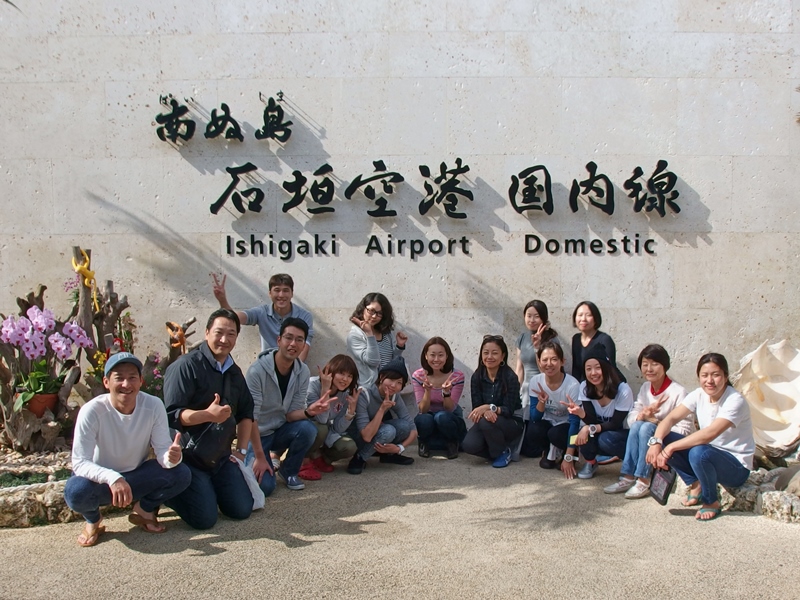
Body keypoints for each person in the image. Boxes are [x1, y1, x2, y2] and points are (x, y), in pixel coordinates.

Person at [64, 352, 191, 547]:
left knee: (181, 473)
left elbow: (162, 451)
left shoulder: (153, 405)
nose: (126, 384)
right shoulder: (92, 410)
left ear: (141, 381)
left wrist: (172, 457)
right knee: (75, 492)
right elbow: (80, 462)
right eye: (119, 378)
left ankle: (144, 509)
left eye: (132, 377)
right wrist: (113, 478)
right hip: (102, 481)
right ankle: (93, 520)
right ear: (106, 382)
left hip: (135, 477)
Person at [163, 309, 258, 530]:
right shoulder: (185, 366)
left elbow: (246, 413)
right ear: (207, 333)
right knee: (205, 520)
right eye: (219, 332)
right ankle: (165, 492)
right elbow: (172, 415)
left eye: (231, 334)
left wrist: (241, 452)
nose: (225, 340)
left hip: (220, 457)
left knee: (242, 510)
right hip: (189, 458)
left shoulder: (234, 372)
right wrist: (207, 415)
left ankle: (206, 490)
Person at [646, 353, 755, 521]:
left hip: (736, 467)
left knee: (698, 452)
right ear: (699, 377)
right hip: (709, 453)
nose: (709, 380)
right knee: (664, 437)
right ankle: (696, 484)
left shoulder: (735, 400)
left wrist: (670, 448)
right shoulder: (699, 395)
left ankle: (711, 502)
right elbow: (670, 419)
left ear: (726, 377)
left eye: (716, 375)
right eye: (704, 375)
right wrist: (656, 443)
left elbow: (709, 434)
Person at [245, 318, 326, 492]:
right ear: (279, 340)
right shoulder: (257, 371)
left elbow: (291, 415)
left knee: (309, 429)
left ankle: (289, 471)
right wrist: (259, 456)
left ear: (304, 344)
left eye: (299, 339)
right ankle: (258, 460)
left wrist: (308, 412)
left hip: (281, 430)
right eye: (288, 337)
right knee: (264, 488)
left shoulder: (302, 371)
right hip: (257, 435)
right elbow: (250, 417)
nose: (293, 344)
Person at [603, 344, 694, 498]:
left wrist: (656, 424)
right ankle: (628, 477)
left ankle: (643, 480)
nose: (649, 369)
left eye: (655, 364)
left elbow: (685, 430)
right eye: (645, 365)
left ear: (665, 366)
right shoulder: (646, 388)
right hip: (650, 440)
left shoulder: (678, 392)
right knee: (639, 424)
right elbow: (631, 420)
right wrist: (642, 415)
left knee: (646, 428)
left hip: (673, 443)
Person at [563, 345, 634, 480]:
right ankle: (590, 462)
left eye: (598, 367)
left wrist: (590, 428)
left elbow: (615, 423)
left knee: (605, 439)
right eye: (588, 369)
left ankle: (631, 462)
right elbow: (592, 419)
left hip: (621, 434)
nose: (593, 373)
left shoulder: (623, 390)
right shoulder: (585, 387)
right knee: (578, 434)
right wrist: (581, 414)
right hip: (600, 431)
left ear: (606, 368)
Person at [211, 272, 314, 361]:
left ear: (292, 293)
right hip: (266, 368)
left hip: (294, 370)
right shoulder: (262, 312)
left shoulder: (304, 316)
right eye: (277, 290)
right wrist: (222, 300)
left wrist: (292, 372)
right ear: (270, 293)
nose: (281, 295)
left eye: (286, 290)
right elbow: (234, 319)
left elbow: (304, 348)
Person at [346, 357, 417, 474]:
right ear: (381, 377)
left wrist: (399, 448)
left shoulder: (395, 396)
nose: (394, 385)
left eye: (399, 382)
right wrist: (382, 409)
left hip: (374, 434)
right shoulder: (364, 394)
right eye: (391, 379)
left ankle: (389, 455)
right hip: (357, 436)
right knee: (388, 431)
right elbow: (366, 436)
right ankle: (359, 457)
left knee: (404, 426)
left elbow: (413, 429)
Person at [462, 335, 522, 468]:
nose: (489, 356)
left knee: (486, 421)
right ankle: (497, 450)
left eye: (495, 353)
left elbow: (509, 410)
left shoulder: (510, 377)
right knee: (468, 445)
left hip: (511, 421)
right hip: (487, 421)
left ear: (502, 356)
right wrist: (485, 412)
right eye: (486, 352)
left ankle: (503, 452)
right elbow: (477, 409)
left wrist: (490, 408)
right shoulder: (476, 377)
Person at [519, 340, 581, 469]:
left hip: (566, 425)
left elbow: (575, 423)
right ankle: (548, 450)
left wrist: (569, 457)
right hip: (549, 423)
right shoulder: (536, 382)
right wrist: (542, 402)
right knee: (533, 430)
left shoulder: (573, 385)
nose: (549, 364)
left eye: (554, 359)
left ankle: (569, 450)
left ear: (562, 361)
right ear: (539, 363)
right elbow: (535, 417)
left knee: (556, 434)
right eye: (545, 360)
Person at [301, 354, 362, 477]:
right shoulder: (312, 385)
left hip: (324, 431)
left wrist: (350, 411)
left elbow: (338, 429)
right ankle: (302, 462)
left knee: (349, 446)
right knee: (321, 428)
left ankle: (320, 459)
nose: (345, 379)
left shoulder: (345, 394)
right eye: (342, 373)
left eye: (350, 376)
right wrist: (325, 390)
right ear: (331, 371)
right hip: (304, 430)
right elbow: (321, 419)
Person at [411, 337, 467, 459]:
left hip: (449, 421)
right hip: (429, 421)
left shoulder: (457, 376)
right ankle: (424, 443)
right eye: (432, 355)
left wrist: (446, 392)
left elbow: (450, 409)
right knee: (423, 419)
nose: (436, 359)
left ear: (447, 356)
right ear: (426, 356)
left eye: (440, 355)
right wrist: (427, 390)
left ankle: (452, 443)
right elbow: (422, 410)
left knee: (441, 416)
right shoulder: (418, 375)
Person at [347, 292, 407, 389]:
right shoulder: (355, 335)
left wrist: (399, 346)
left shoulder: (386, 333)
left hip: (388, 387)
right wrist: (370, 335)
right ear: (363, 308)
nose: (374, 316)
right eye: (371, 311)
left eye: (379, 313)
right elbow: (372, 361)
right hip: (368, 388)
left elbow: (393, 362)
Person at [515, 300, 559, 404]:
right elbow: (519, 369)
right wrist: (515, 390)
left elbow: (550, 369)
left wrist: (537, 347)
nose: (532, 320)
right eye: (529, 316)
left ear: (544, 318)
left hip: (544, 389)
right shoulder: (522, 338)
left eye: (536, 316)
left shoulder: (552, 339)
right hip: (526, 389)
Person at [570, 301, 625, 383]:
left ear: (595, 318)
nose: (583, 319)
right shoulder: (576, 339)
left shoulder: (605, 340)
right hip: (585, 387)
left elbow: (609, 369)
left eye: (588, 315)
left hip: (606, 386)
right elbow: (576, 370)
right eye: (580, 315)